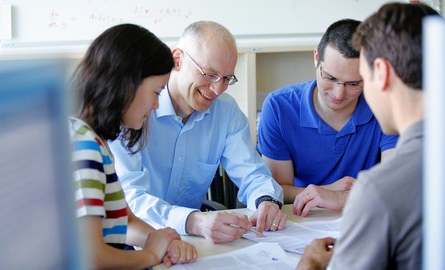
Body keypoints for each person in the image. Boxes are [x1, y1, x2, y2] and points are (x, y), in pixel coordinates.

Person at [109, 21, 286, 244]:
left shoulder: (225, 110)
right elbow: (129, 199)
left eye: (226, 78)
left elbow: (252, 173)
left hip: (191, 242)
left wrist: (266, 200)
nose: (218, 89)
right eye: (209, 74)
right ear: (177, 60)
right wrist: (192, 221)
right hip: (132, 240)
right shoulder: (135, 109)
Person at [297, 3, 438, 269]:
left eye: (359, 79)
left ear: (381, 74)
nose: (342, 94)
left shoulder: (379, 190)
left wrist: (310, 264)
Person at [69, 24, 197, 269]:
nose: (157, 105)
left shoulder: (96, 139)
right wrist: (149, 255)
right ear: (127, 84)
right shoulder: (85, 146)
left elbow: (123, 221)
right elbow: (91, 257)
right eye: (156, 92)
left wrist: (160, 241)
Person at [257, 18, 398, 216]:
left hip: (366, 215)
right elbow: (277, 189)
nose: (339, 94)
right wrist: (326, 192)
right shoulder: (279, 107)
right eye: (330, 78)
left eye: (353, 84)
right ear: (316, 58)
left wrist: (343, 198)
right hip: (303, 219)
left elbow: (399, 184)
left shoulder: (385, 106)